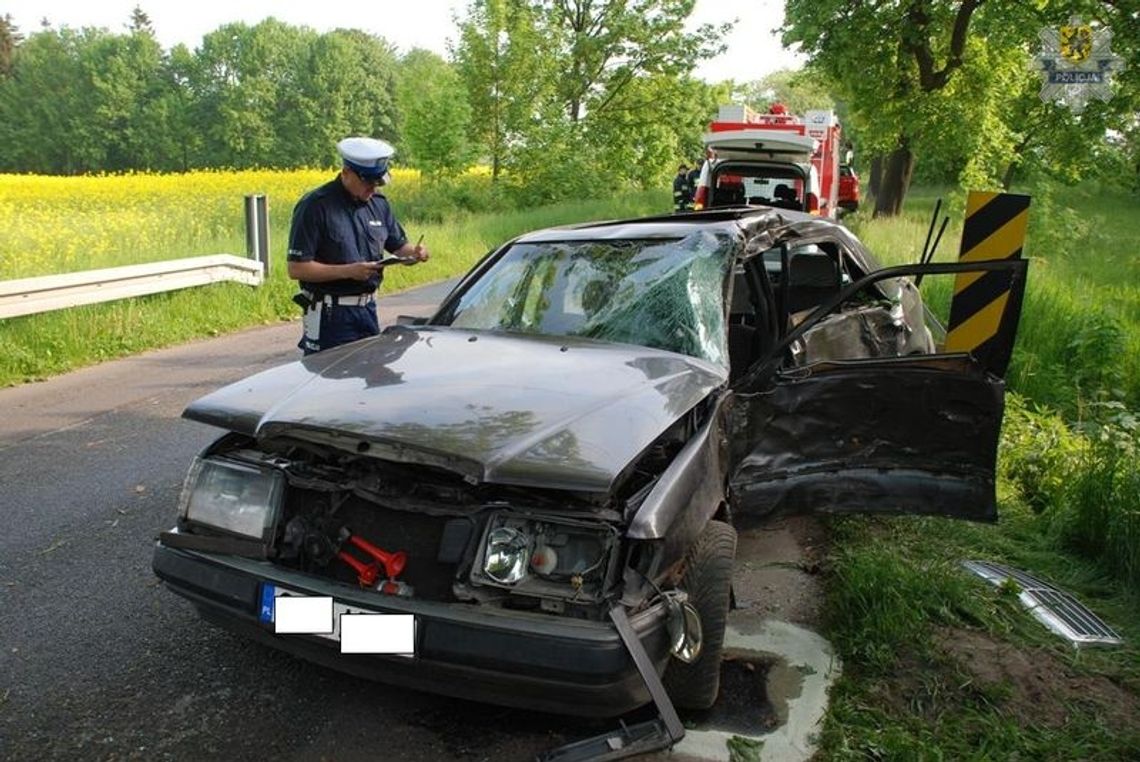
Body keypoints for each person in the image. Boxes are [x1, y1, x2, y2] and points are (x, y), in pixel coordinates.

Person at [287, 136, 429, 354]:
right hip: (330, 315)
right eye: (367, 182)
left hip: (367, 311)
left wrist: (415, 254)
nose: (372, 189)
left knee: (369, 378)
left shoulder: (378, 205)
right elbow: (297, 268)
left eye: (377, 182)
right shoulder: (316, 206)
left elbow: (399, 247)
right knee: (330, 382)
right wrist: (348, 272)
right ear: (346, 173)